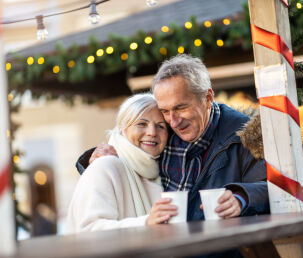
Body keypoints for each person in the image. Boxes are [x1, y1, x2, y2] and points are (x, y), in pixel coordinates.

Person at [76, 54, 269, 222]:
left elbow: (276, 188)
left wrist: (242, 197)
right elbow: (130, 149)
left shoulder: (247, 134)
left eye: (180, 108)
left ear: (208, 98)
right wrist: (96, 158)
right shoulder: (163, 131)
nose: (173, 121)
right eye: (165, 111)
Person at [66, 93, 178, 234]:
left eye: (161, 126)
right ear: (122, 128)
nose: (152, 132)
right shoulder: (105, 166)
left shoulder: (165, 173)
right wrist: (146, 223)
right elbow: (89, 230)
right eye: (142, 124)